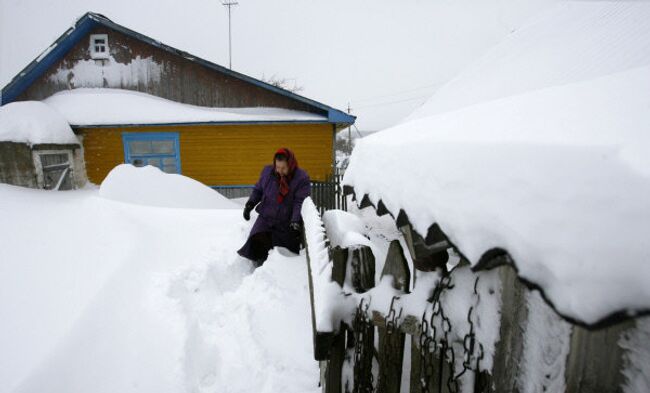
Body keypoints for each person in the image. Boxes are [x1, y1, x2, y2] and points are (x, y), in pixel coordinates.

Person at [237, 148, 311, 266]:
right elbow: (258, 190)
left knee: (283, 252)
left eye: (283, 168)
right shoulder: (268, 172)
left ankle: (275, 270)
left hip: (285, 222)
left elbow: (299, 201)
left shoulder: (301, 178)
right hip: (266, 217)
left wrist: (295, 220)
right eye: (277, 167)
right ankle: (260, 265)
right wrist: (250, 204)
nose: (280, 171)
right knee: (257, 240)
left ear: (290, 164)